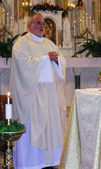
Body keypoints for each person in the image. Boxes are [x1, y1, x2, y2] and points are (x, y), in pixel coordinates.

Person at [10, 13, 66, 169]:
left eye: (43, 23)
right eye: (38, 23)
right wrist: (45, 60)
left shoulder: (50, 43)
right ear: (29, 25)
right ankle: (30, 163)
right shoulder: (21, 43)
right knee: (31, 130)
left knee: (50, 128)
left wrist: (57, 61)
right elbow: (23, 65)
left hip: (50, 98)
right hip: (32, 99)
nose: (42, 26)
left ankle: (50, 162)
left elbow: (61, 62)